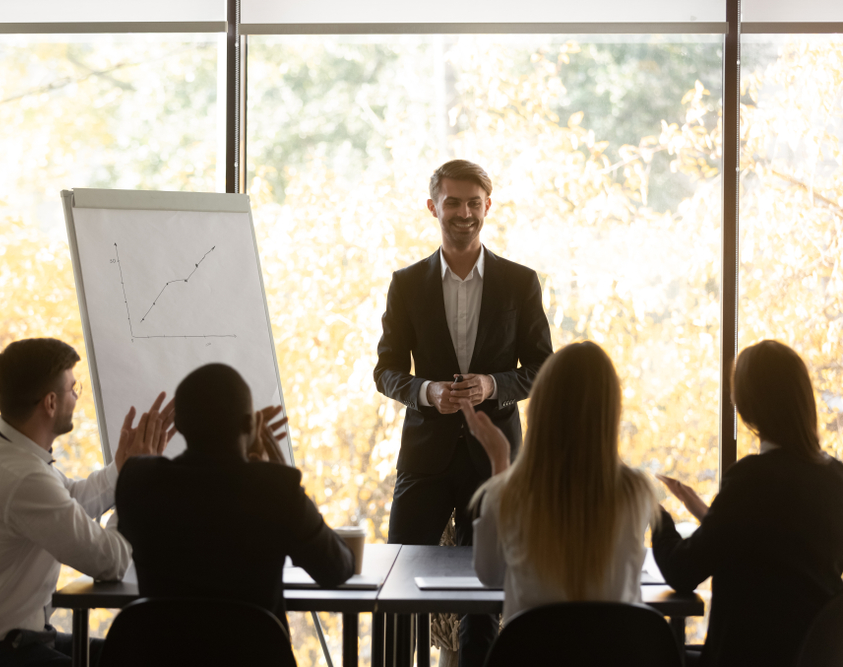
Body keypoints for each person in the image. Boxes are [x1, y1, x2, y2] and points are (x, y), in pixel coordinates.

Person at [373, 159, 553, 665]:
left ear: (488, 208)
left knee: (487, 599)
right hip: (424, 458)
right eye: (452, 202)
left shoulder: (521, 282)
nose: (464, 213)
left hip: (495, 463)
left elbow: (544, 368)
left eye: (474, 203)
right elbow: (385, 372)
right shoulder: (406, 284)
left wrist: (493, 385)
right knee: (397, 590)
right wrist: (428, 392)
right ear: (433, 207)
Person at [0, 338, 175, 667]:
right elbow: (110, 561)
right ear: (51, 403)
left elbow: (68, 504)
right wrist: (135, 488)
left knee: (138, 655)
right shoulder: (23, 478)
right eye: (74, 388)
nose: (76, 396)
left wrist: (123, 471)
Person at [115, 363, 354, 632]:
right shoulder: (274, 488)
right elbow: (337, 569)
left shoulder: (138, 481)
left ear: (179, 425)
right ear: (250, 423)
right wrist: (278, 473)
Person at [653, 340, 843, 667]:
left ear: (747, 404)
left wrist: (653, 513)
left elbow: (682, 571)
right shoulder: (836, 477)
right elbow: (787, 551)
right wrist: (710, 517)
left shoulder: (751, 480)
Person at [465, 341, 657, 622]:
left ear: (541, 407)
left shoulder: (511, 492)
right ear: (611, 412)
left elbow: (491, 576)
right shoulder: (636, 492)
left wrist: (499, 463)